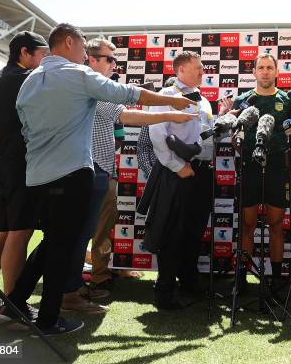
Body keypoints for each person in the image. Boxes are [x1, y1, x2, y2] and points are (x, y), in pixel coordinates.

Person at [0, 23, 195, 335]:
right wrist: (170, 106)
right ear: (67, 42)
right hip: (72, 172)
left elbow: (25, 126)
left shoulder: (30, 80)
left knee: (53, 243)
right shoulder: (78, 74)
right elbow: (128, 95)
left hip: (36, 175)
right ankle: (48, 319)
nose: (85, 54)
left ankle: (14, 303)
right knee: (62, 249)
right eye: (82, 47)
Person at [61, 38, 196, 314]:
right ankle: (68, 292)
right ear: (92, 59)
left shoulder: (94, 87)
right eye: (109, 59)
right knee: (75, 234)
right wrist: (169, 110)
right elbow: (129, 114)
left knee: (86, 232)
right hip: (86, 169)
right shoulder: (91, 87)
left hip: (97, 168)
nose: (114, 65)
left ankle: (76, 287)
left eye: (115, 60)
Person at [0, 32, 49, 317]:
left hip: (2, 166)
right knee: (19, 233)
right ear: (24, 52)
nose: (44, 60)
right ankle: (12, 303)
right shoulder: (29, 81)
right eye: (41, 54)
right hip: (23, 165)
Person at [140, 51, 215, 309]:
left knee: (194, 231)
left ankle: (190, 284)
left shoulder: (205, 101)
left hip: (201, 172)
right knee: (172, 233)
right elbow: (157, 134)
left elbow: (205, 136)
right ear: (181, 69)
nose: (202, 72)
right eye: (198, 68)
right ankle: (165, 292)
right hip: (176, 172)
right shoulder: (167, 96)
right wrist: (176, 165)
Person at [231, 53, 291, 293]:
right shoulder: (242, 100)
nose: (265, 72)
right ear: (253, 72)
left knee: (275, 224)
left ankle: (276, 279)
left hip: (277, 168)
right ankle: (241, 279)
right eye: (260, 68)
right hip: (249, 167)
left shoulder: (288, 100)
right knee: (247, 224)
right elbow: (234, 137)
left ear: (277, 71)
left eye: (269, 68)